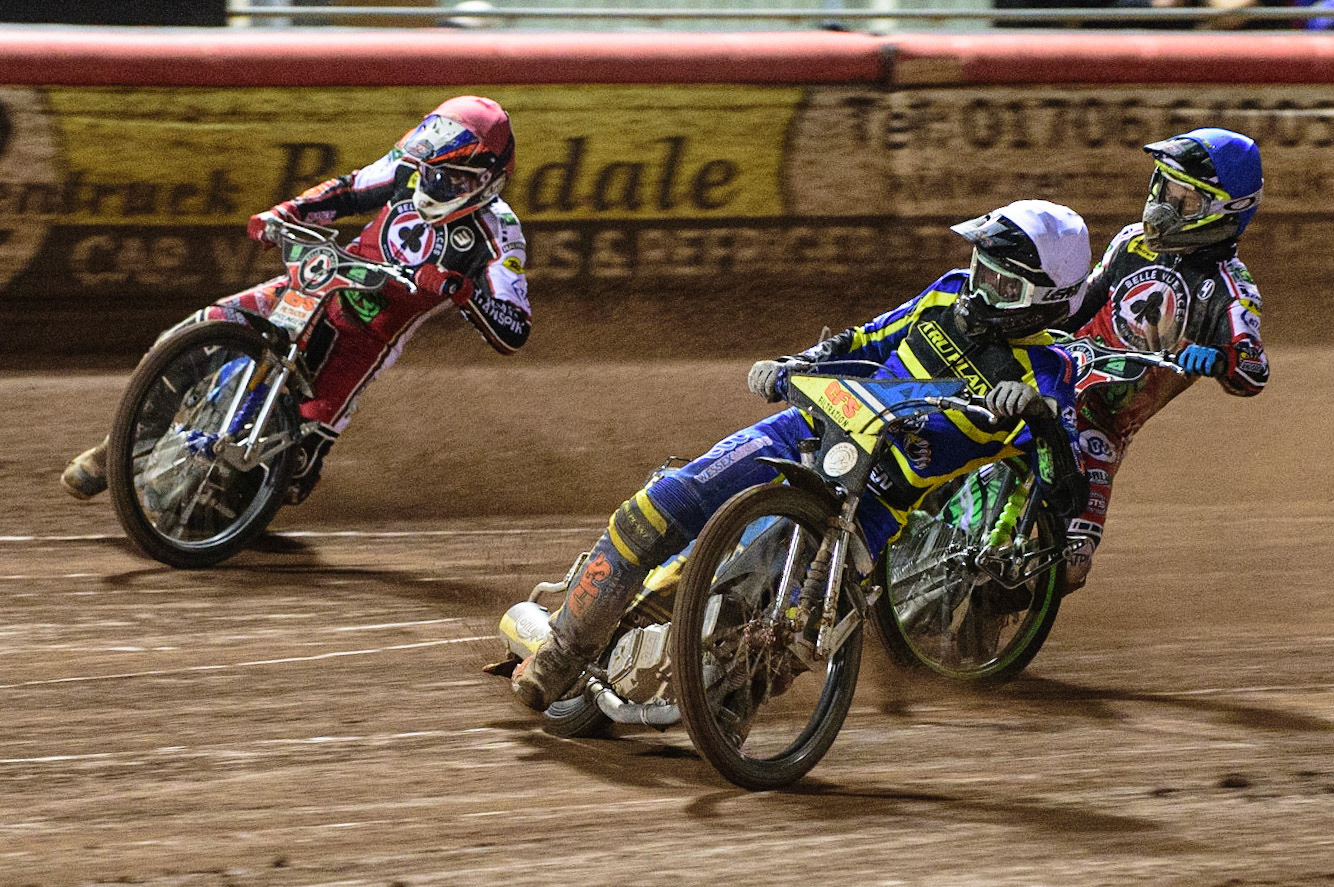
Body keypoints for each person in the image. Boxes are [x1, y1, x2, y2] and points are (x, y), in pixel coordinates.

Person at [511, 199, 1093, 712]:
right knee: (655, 510)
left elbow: (1065, 493)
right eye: (980, 269)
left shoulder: (1054, 372)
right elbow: (866, 338)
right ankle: (560, 654)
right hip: (809, 431)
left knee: (779, 640)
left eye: (1003, 285)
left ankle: (729, 713)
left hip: (873, 505)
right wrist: (796, 362)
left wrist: (1038, 417)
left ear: (1050, 300)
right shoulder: (946, 293)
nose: (980, 289)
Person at [60, 95, 530, 505]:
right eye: (430, 172)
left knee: (296, 472)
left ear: (486, 181)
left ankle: (250, 498)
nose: (433, 185)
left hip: (365, 337)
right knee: (188, 337)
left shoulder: (500, 234)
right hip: (317, 283)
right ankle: (116, 450)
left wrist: (461, 290)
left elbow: (513, 328)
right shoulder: (410, 167)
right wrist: (285, 213)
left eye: (450, 180)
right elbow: (348, 191)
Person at [1057, 127, 1267, 593]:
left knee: (1070, 566)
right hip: (1054, 373)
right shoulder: (1131, 241)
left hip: (1104, 425)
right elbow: (1081, 305)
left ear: (1225, 210)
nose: (1161, 208)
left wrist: (1216, 359)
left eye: (1183, 200)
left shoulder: (1232, 292)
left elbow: (1254, 372)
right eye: (1162, 189)